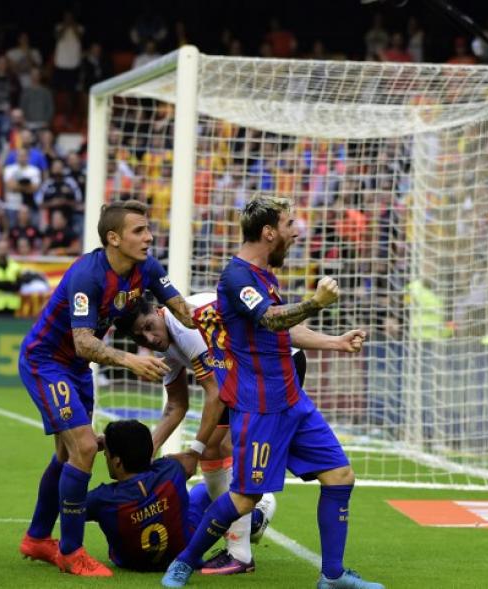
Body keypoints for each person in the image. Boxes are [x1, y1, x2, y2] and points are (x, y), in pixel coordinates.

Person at [161, 195, 380, 589]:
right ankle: (183, 562)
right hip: (259, 406)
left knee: (341, 476)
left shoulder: (264, 275)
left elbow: (282, 329)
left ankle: (332, 575)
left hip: (293, 400)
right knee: (244, 498)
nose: (296, 231)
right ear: (268, 232)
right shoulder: (236, 277)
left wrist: (335, 342)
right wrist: (315, 302)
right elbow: (270, 318)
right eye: (289, 224)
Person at [17, 200, 195, 576]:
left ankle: (36, 538)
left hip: (77, 368)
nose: (148, 237)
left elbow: (182, 309)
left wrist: (222, 321)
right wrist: (132, 360)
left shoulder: (146, 268)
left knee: (68, 455)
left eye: (148, 229)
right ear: (113, 238)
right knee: (83, 446)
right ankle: (70, 552)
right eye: (139, 231)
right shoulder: (87, 275)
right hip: (46, 361)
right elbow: (83, 341)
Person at [116, 291, 321, 574]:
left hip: (277, 363)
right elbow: (175, 406)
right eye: (140, 337)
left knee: (221, 447)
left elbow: (215, 394)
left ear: (159, 310)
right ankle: (249, 527)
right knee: (218, 447)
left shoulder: (186, 327)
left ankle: (249, 530)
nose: (149, 339)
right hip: (245, 372)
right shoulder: (166, 342)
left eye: (149, 327)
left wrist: (194, 452)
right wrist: (141, 457)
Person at [86, 420, 275, 572]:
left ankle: (251, 522)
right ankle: (254, 519)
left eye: (107, 454)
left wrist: (84, 452)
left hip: (130, 563)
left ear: (117, 461)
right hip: (182, 551)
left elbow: (67, 500)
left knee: (201, 493)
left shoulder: (101, 499)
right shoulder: (171, 469)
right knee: (204, 491)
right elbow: (182, 459)